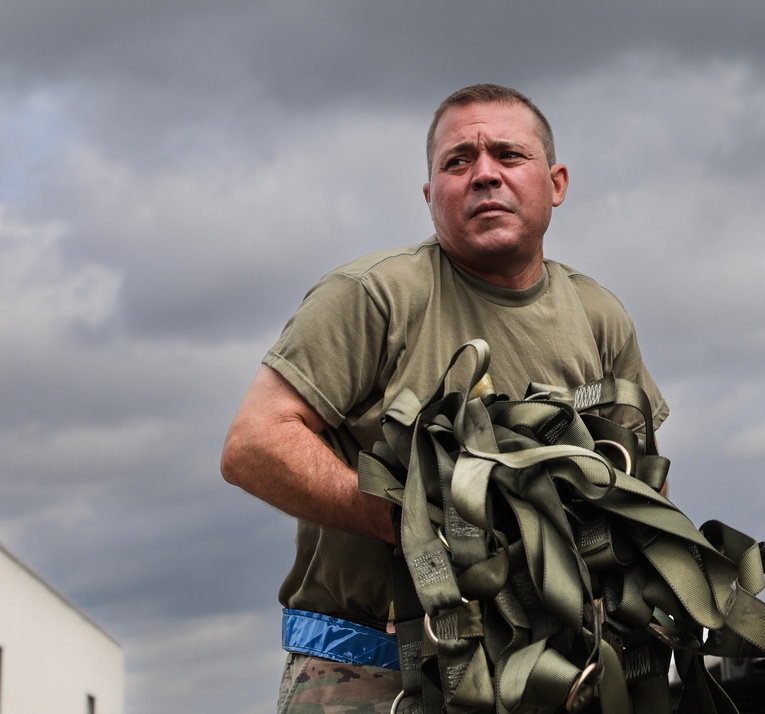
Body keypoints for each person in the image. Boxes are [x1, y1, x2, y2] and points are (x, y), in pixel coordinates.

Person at [221, 83, 669, 713]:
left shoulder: (599, 317)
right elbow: (254, 445)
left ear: (557, 181)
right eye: (458, 162)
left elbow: (644, 486)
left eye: (509, 155)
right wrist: (420, 526)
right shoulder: (374, 295)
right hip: (374, 671)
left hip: (550, 674)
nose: (484, 174)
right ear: (431, 196)